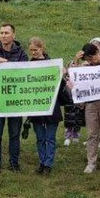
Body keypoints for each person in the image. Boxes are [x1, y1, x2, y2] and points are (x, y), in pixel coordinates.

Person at [0, 23, 28, 172]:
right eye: (1, 33)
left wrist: (6, 63)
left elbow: (24, 73)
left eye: (6, 33)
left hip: (15, 101)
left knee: (14, 134)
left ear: (13, 35)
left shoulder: (22, 54)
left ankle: (14, 164)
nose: (3, 35)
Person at [27, 37, 70, 175]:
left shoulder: (53, 65)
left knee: (50, 138)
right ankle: (42, 161)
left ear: (42, 49)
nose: (33, 52)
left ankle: (48, 164)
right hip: (35, 107)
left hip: (52, 106)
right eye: (31, 50)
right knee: (40, 137)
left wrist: (62, 73)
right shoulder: (27, 65)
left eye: (36, 49)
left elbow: (61, 85)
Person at [72, 41, 100, 174]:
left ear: (98, 52)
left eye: (93, 57)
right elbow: (70, 76)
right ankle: (91, 163)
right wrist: (76, 60)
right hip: (90, 103)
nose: (92, 60)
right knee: (92, 134)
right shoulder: (84, 66)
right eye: (88, 59)